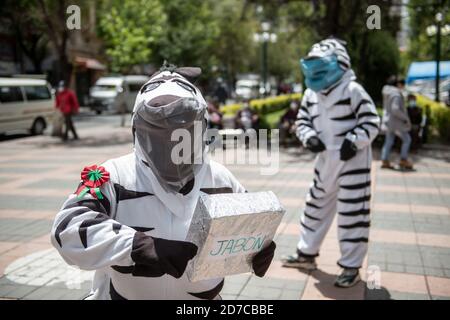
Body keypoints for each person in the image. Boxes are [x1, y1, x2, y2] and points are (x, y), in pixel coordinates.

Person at [50, 64, 276, 300]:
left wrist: (259, 246)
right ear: (137, 129)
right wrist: (136, 246)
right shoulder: (113, 174)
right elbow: (66, 229)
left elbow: (251, 225)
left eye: (183, 129)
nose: (172, 142)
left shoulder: (221, 179)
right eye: (158, 131)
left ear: (202, 127)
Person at [281, 38, 380, 288]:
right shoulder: (310, 94)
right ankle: (306, 253)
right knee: (315, 206)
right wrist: (309, 137)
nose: (316, 72)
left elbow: (371, 121)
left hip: (353, 162)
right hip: (325, 160)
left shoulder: (352, 90)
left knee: (352, 212)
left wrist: (354, 140)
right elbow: (302, 122)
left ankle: (350, 265)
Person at [380, 77, 413, 170]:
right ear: (398, 85)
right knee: (407, 139)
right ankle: (403, 159)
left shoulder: (387, 93)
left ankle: (384, 160)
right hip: (396, 122)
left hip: (389, 121)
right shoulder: (396, 95)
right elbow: (395, 109)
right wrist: (405, 118)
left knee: (389, 141)